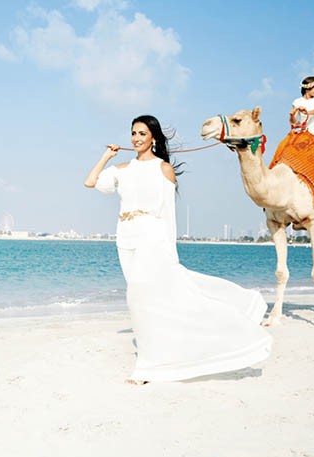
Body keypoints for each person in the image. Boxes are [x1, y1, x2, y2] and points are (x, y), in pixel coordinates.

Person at [84, 115, 272, 383]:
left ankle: (147, 366)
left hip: (152, 237)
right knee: (148, 299)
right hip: (125, 238)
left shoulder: (164, 169)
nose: (136, 138)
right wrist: (106, 156)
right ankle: (161, 350)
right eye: (133, 133)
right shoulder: (122, 169)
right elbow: (91, 182)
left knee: (137, 298)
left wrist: (170, 252)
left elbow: (167, 214)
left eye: (142, 134)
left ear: (154, 138)